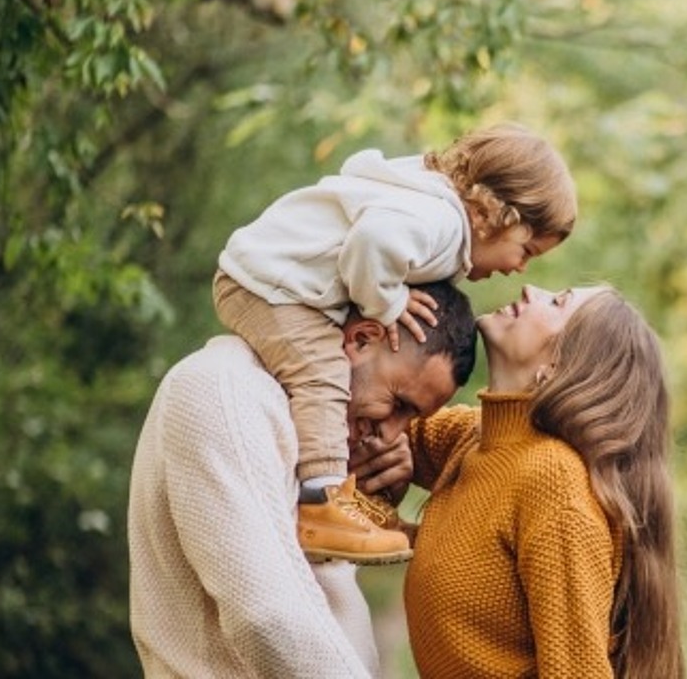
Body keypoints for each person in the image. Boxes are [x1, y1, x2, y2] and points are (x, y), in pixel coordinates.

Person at [213, 122, 577, 564]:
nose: (521, 268)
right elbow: (372, 239)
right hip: (267, 284)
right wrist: (386, 304)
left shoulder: (432, 211)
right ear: (498, 215)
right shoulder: (441, 222)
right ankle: (322, 504)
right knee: (323, 376)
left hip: (272, 281)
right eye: (528, 250)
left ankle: (346, 502)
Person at [127, 280, 478, 677]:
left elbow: (309, 591)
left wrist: (361, 498)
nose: (392, 434)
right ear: (362, 339)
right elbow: (266, 617)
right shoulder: (223, 389)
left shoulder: (305, 433)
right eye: (398, 404)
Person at [401, 284, 685, 678]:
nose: (529, 288)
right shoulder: (477, 440)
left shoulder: (553, 485)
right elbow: (378, 420)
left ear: (558, 366)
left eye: (557, 302)